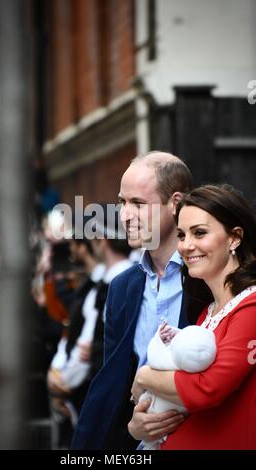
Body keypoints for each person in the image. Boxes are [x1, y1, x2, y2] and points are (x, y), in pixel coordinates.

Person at [71, 151, 193, 450]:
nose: (125, 215)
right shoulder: (122, 288)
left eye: (138, 204)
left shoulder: (207, 276)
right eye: (122, 202)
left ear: (175, 204)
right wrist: (132, 429)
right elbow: (112, 383)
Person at [129, 184, 256, 450]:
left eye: (199, 233)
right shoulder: (207, 313)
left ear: (235, 238)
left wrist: (143, 376)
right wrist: (141, 425)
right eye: (181, 235)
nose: (186, 246)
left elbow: (207, 389)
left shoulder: (252, 306)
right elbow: (182, 401)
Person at [139, 322, 216, 450]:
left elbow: (153, 353)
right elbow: (190, 343)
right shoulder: (197, 365)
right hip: (180, 417)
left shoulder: (168, 362)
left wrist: (158, 336)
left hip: (155, 411)